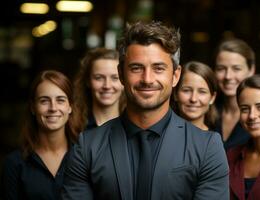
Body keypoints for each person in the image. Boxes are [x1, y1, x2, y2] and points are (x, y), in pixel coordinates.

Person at [62, 21, 229, 200]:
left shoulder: (207, 147)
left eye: (158, 68)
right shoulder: (87, 147)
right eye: (136, 68)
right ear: (121, 74)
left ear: (175, 75)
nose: (147, 79)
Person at [1, 70, 83, 199]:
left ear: (70, 106)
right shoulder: (15, 163)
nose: (53, 108)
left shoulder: (85, 157)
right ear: (33, 107)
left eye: (60, 100)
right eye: (44, 101)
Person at [214, 38, 255, 150]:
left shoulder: (259, 116)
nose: (228, 76)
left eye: (236, 69)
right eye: (221, 68)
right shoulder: (206, 111)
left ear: (251, 70)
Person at [73, 47, 125, 129]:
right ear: (88, 81)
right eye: (99, 78)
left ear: (123, 81)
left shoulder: (135, 124)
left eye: (115, 78)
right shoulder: (73, 126)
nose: (107, 86)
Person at [172, 61, 218, 130]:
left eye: (202, 92)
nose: (193, 99)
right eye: (186, 90)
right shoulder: (161, 135)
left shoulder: (215, 139)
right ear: (175, 94)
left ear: (212, 98)